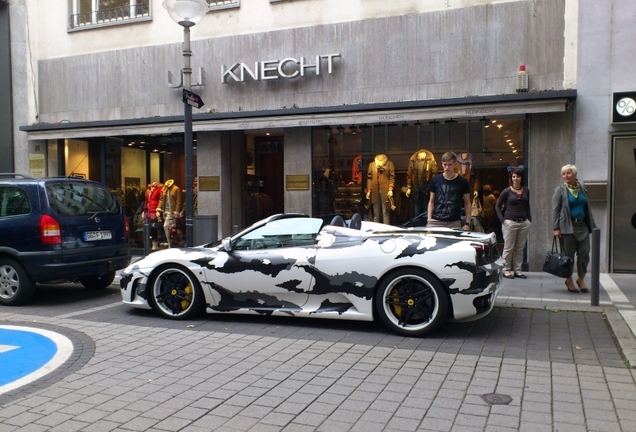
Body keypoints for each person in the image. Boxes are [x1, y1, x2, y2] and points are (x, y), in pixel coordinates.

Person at [552, 164, 596, 293]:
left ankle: (581, 278)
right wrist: (555, 227)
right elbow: (555, 210)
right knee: (568, 256)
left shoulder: (582, 188)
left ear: (575, 174)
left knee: (584, 253)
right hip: (567, 227)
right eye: (564, 174)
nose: (565, 176)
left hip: (582, 226)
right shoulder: (560, 190)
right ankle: (569, 279)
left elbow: (586, 207)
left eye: (568, 173)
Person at [496, 167, 532, 279]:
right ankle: (506, 270)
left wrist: (529, 220)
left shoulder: (526, 190)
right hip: (510, 222)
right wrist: (503, 220)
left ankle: (518, 270)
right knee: (508, 247)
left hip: (523, 222)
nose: (515, 179)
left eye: (518, 176)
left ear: (521, 178)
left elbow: (527, 206)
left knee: (520, 248)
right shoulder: (506, 191)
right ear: (511, 178)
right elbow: (497, 206)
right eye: (513, 176)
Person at [427, 151, 471, 229]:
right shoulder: (435, 180)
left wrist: (467, 223)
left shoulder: (462, 181)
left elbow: (467, 203)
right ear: (442, 164)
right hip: (435, 221)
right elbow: (431, 201)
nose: (447, 167)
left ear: (455, 164)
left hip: (454, 222)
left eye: (450, 165)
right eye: (445, 165)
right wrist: (429, 219)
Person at [405, 149, 438, 216]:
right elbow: (409, 174)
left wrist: (433, 187)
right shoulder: (413, 161)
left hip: (427, 188)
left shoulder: (430, 161)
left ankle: (427, 222)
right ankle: (418, 223)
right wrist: (409, 187)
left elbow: (434, 174)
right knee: (416, 208)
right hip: (416, 188)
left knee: (427, 207)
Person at [366, 154, 395, 224]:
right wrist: (369, 190)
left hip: (385, 191)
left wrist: (390, 189)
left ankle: (386, 228)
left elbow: (392, 177)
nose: (380, 160)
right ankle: (376, 228)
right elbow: (369, 178)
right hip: (374, 191)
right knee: (376, 212)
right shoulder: (372, 165)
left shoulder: (389, 164)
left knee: (386, 212)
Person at [157, 179, 183, 247]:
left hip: (172, 212)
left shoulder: (176, 189)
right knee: (171, 228)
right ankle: (172, 242)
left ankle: (170, 243)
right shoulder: (165, 189)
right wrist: (159, 208)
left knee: (166, 226)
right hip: (165, 212)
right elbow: (161, 199)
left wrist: (177, 211)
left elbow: (178, 201)